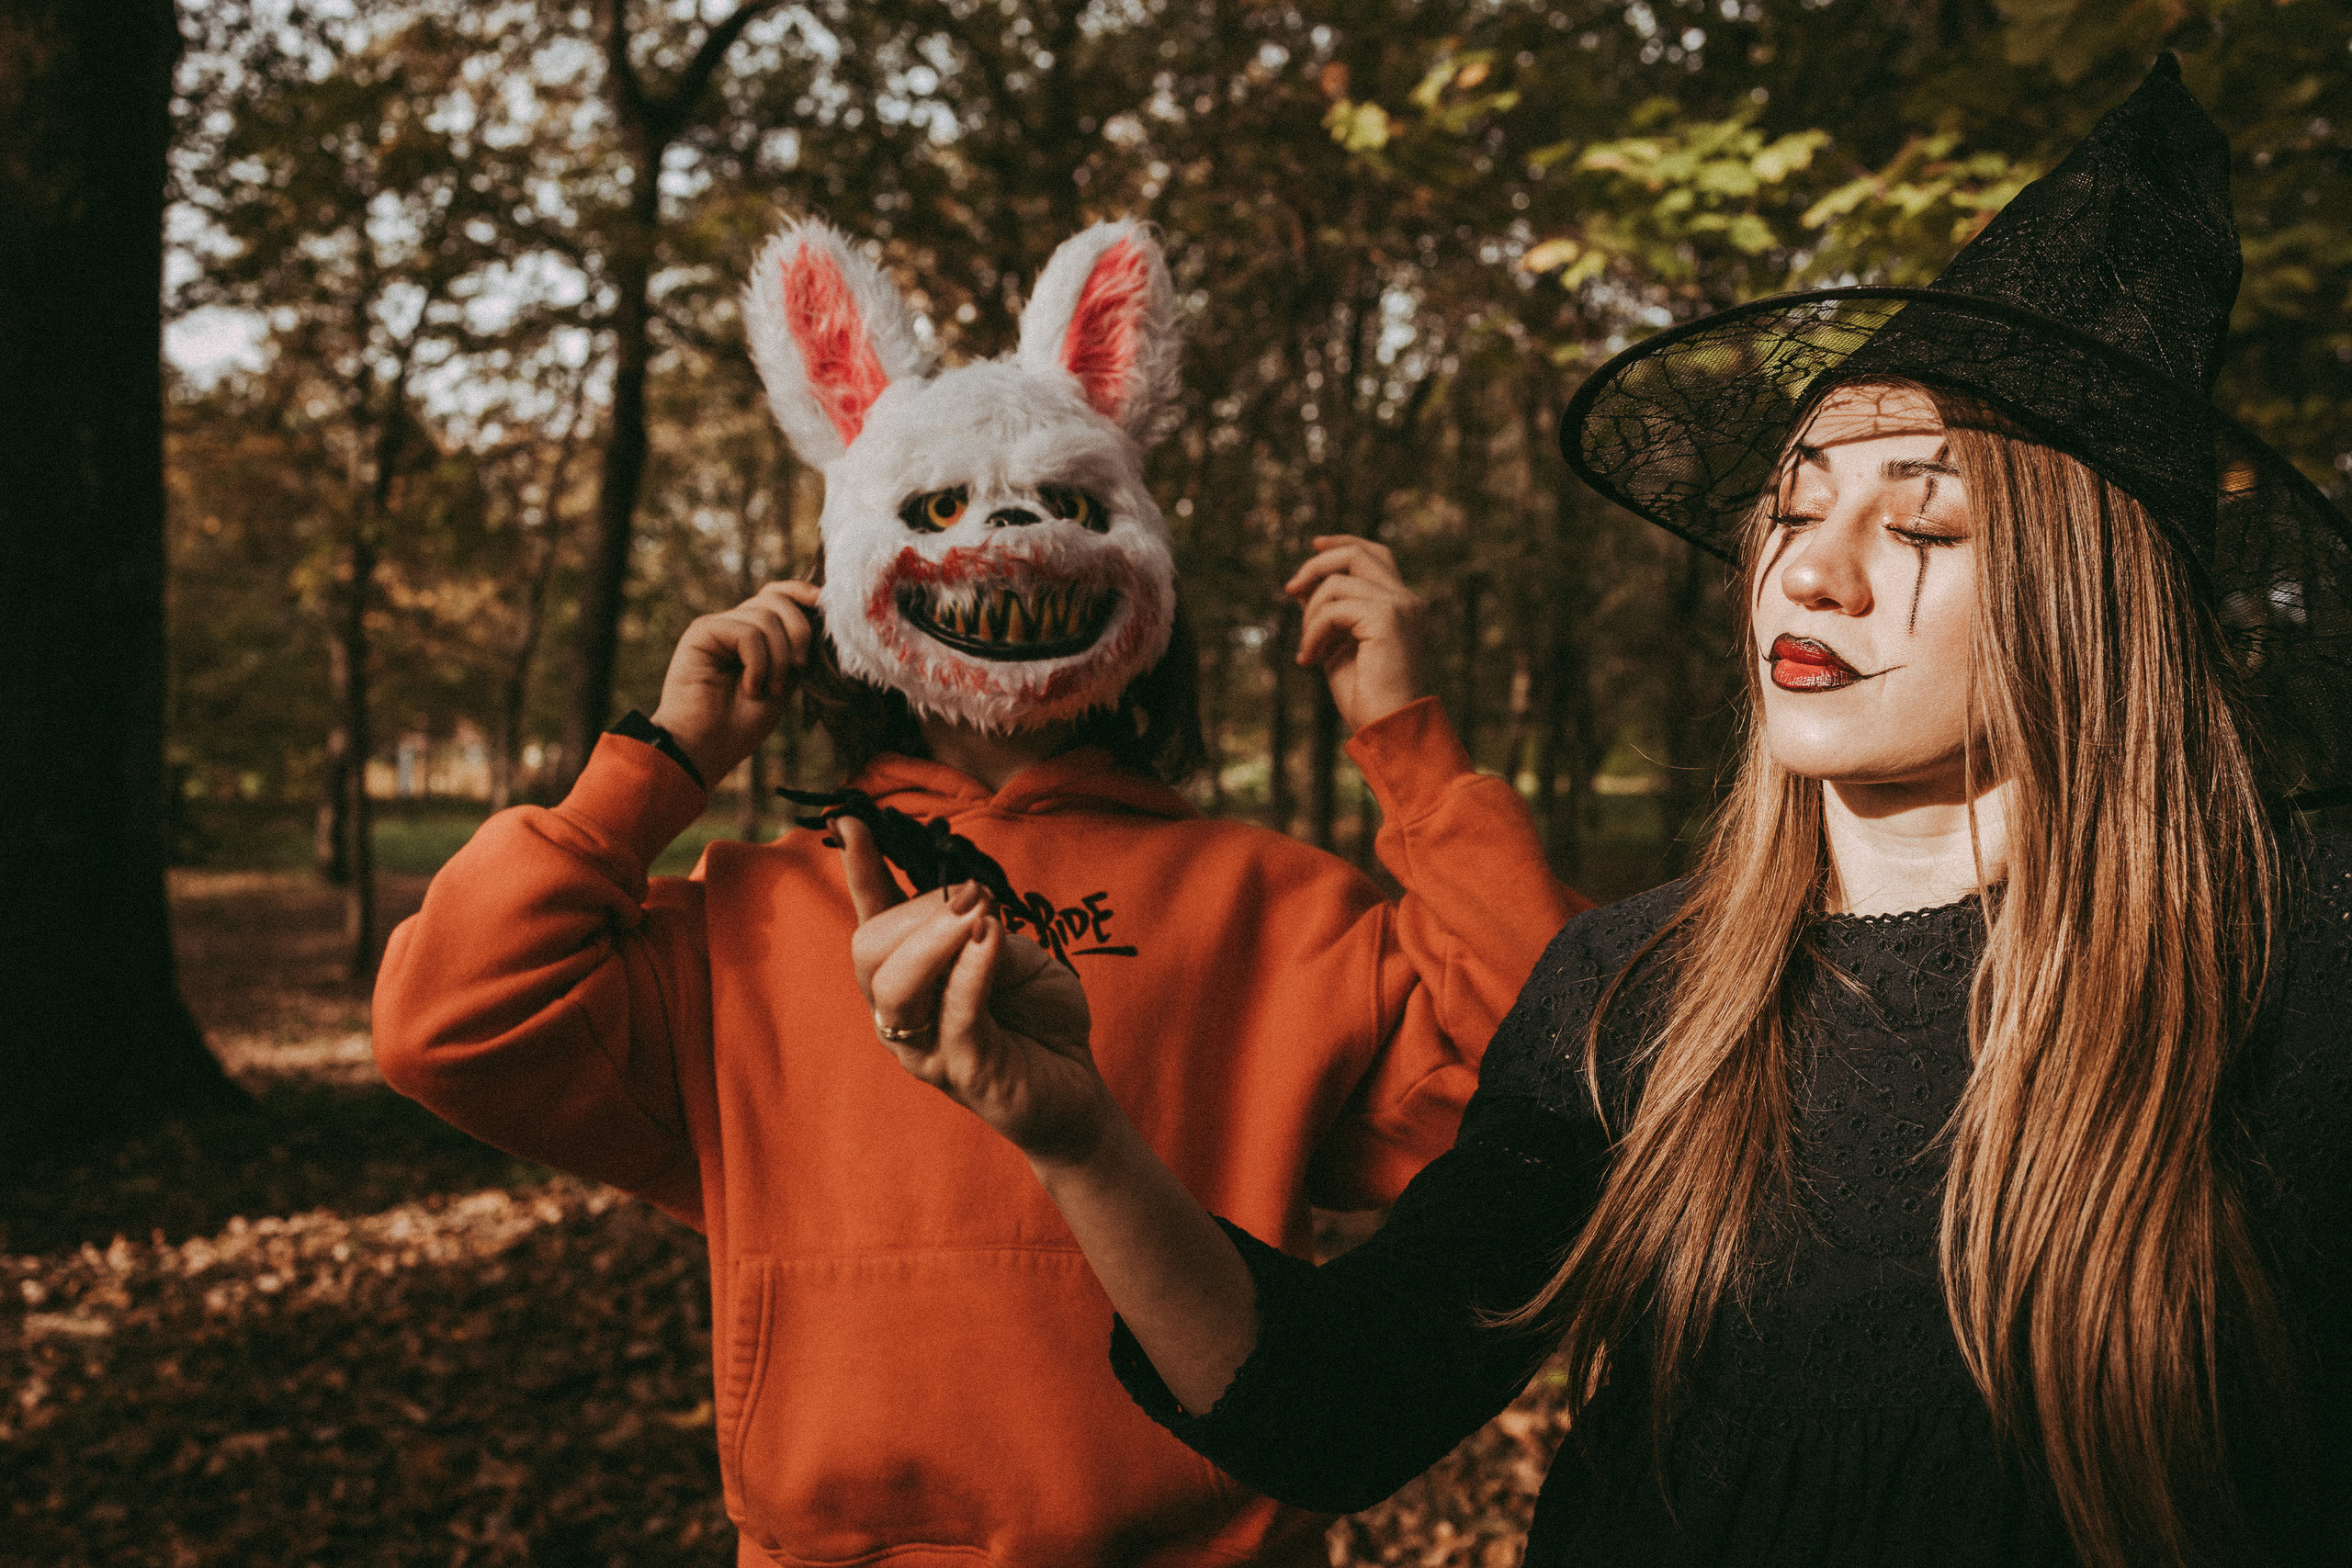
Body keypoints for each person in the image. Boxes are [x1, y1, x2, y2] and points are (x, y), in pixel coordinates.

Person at [844, 56, 2352, 1567]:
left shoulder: (2296, 969)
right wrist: (1083, 1138)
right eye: (1795, 500)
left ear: (2094, 606)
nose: (1812, 570)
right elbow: (1339, 1408)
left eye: (1927, 519)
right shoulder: (1639, 994)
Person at [372, 215, 1584, 1567]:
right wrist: (659, 768)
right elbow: (450, 1023)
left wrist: (1411, 748)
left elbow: (1546, 1085)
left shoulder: (1279, 907)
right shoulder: (751, 914)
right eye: (940, 508)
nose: (1006, 536)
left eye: (1066, 504)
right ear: (848, 572)